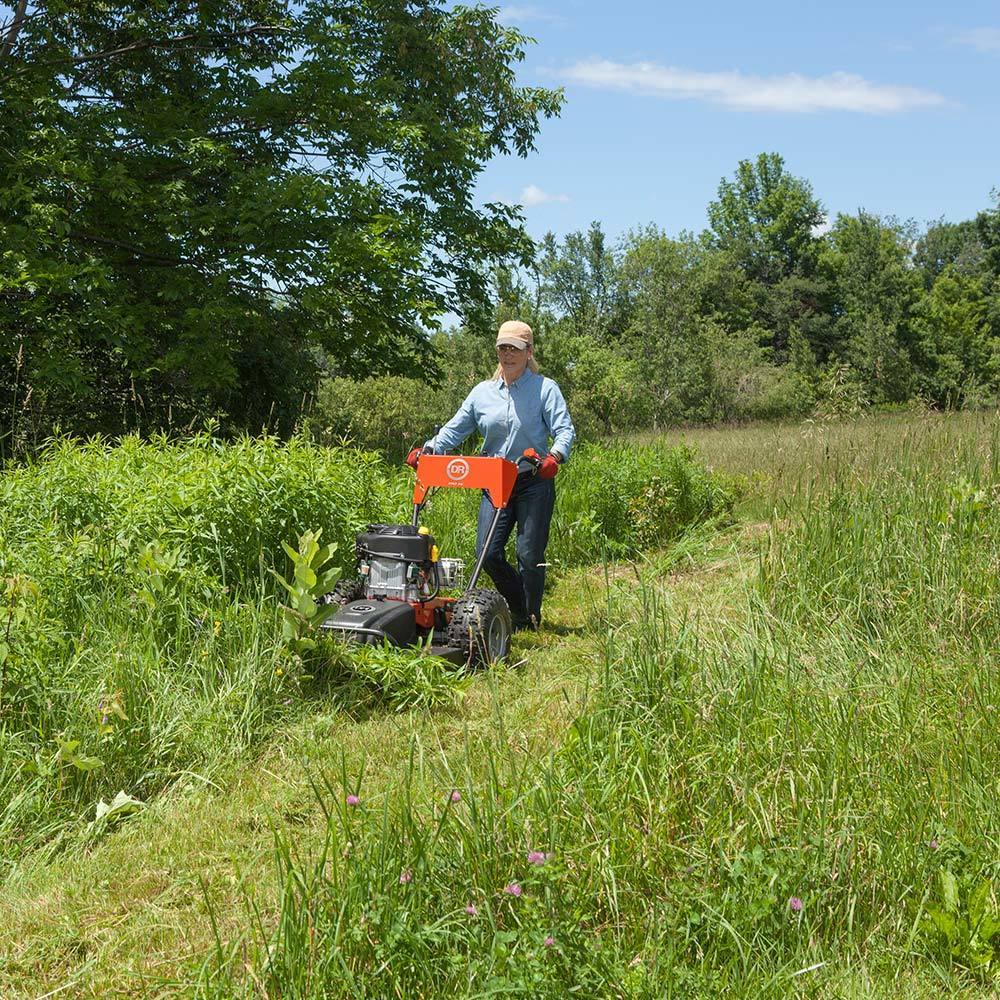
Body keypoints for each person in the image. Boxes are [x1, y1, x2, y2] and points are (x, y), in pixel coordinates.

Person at [407, 321, 575, 630]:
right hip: (495, 481)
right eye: (503, 348)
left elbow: (565, 430)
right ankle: (518, 605)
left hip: (532, 479)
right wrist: (428, 450)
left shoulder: (544, 389)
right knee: (488, 553)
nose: (508, 354)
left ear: (529, 352)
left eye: (515, 348)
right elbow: (454, 429)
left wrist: (556, 457)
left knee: (529, 553)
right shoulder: (482, 393)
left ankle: (530, 618)